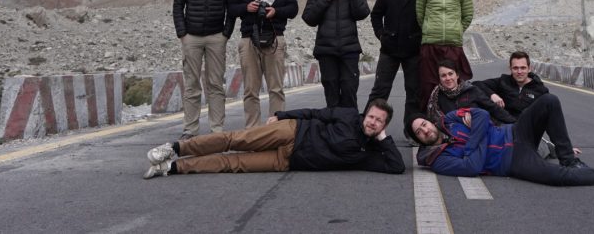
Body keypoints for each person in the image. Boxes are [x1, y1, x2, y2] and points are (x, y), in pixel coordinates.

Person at [406, 94, 594, 188]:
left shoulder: (450, 118)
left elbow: (482, 113)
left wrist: (472, 147)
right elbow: (471, 168)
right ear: (419, 140)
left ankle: (571, 160)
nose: (425, 130)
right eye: (419, 131)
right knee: (559, 179)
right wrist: (476, 136)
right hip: (513, 161)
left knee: (549, 102)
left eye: (424, 124)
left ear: (430, 121)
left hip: (515, 132)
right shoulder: (438, 160)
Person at [142, 98, 405, 178]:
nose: (373, 122)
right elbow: (314, 112)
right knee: (235, 140)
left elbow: (396, 166)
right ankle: (175, 148)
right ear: (365, 114)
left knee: (232, 164)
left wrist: (383, 139)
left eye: (379, 121)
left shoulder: (367, 154)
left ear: (384, 125)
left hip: (287, 161)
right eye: (371, 117)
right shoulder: (348, 115)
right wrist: (281, 115)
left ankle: (172, 167)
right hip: (292, 131)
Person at [172, 0, 238, 139]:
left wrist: (225, 34)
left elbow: (232, 8)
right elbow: (177, 5)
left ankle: (216, 130)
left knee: (216, 84)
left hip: (216, 37)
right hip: (191, 37)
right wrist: (182, 33)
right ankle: (190, 129)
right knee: (191, 84)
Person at [230, 0, 299, 128]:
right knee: (250, 89)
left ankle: (275, 129)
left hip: (275, 38)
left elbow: (293, 9)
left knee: (276, 88)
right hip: (248, 39)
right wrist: (246, 8)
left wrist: (276, 11)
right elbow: (230, 8)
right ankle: (252, 131)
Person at [302, 0, 370, 109]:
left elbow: (362, 13)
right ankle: (333, 129)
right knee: (331, 93)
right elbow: (309, 18)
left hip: (349, 50)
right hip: (326, 51)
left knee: (349, 90)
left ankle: (350, 129)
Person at [366, 0, 422, 123]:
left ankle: (412, 129)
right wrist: (381, 35)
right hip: (389, 49)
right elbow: (376, 15)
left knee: (414, 92)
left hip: (413, 51)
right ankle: (368, 126)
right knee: (380, 90)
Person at [415, 0, 473, 104]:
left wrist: (458, 29)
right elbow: (420, 15)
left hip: (452, 44)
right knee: (428, 84)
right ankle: (428, 120)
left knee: (454, 84)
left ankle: (455, 118)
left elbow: (468, 15)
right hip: (430, 44)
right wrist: (428, 29)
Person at [427, 59, 515, 126]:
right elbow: (436, 123)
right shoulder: (436, 98)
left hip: (483, 129)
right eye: (443, 75)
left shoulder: (471, 90)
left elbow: (494, 109)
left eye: (450, 74)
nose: (448, 78)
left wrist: (515, 124)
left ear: (457, 75)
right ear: (439, 78)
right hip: (456, 137)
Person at [474, 51, 549, 117]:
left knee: (552, 100)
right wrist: (492, 95)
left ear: (529, 68)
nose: (519, 72)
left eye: (523, 68)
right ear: (510, 69)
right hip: (504, 126)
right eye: (515, 68)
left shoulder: (540, 90)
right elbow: (476, 84)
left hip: (526, 129)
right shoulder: (504, 81)